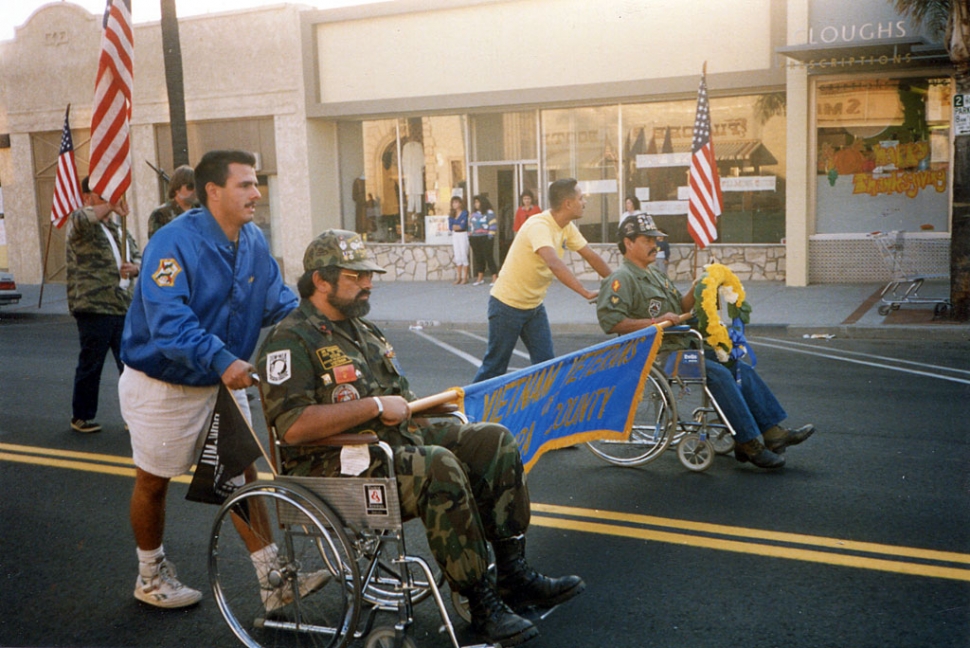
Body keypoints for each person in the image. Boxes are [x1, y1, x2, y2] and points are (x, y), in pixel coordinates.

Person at [257, 229, 585, 646]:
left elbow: (402, 402)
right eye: (356, 276)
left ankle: (511, 574)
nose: (368, 283)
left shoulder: (364, 330)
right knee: (436, 465)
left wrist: (438, 404)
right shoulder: (291, 339)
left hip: (387, 445)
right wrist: (374, 407)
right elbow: (293, 427)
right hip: (333, 466)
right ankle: (478, 600)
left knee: (492, 439)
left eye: (368, 275)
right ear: (320, 280)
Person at [119, 150, 300, 609]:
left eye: (256, 183)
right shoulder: (172, 242)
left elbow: (277, 300)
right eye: (246, 185)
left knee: (241, 475)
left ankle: (272, 581)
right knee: (153, 480)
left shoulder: (254, 239)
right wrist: (222, 359)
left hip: (223, 381)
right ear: (213, 191)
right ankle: (150, 574)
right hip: (164, 383)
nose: (257, 193)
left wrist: (316, 323)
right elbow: (169, 322)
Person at [596, 214, 815, 469]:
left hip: (681, 345)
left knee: (737, 366)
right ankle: (747, 442)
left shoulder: (655, 275)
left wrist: (698, 288)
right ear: (629, 243)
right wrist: (654, 323)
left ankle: (773, 433)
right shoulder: (622, 278)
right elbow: (611, 322)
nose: (655, 244)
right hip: (654, 354)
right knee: (717, 374)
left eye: (656, 239)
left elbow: (679, 306)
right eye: (648, 239)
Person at [473, 178, 612, 383]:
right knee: (494, 368)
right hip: (506, 306)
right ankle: (464, 412)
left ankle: (546, 412)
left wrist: (617, 282)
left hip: (533, 308)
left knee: (547, 365)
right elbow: (554, 263)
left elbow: (591, 256)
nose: (584, 202)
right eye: (581, 198)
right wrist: (585, 292)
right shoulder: (539, 225)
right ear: (568, 203)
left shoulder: (566, 226)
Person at [66, 177, 141, 434]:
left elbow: (138, 256)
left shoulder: (121, 230)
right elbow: (83, 218)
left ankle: (134, 417)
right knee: (92, 364)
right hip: (94, 305)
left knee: (130, 367)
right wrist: (110, 205)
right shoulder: (81, 223)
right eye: (100, 197)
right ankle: (82, 417)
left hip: (122, 306)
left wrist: (136, 268)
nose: (109, 202)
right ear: (87, 198)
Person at [147, 165, 196, 239]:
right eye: (190, 187)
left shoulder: (201, 214)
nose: (195, 191)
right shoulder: (160, 215)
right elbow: (157, 246)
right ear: (177, 188)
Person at [469, 194, 499, 285]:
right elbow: (470, 226)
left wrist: (490, 236)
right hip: (475, 238)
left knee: (488, 257)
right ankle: (480, 277)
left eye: (478, 202)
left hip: (486, 237)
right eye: (475, 202)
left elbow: (493, 225)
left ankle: (494, 277)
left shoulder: (489, 213)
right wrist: (469, 235)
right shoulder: (473, 214)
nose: (476, 204)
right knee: (478, 258)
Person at [448, 196, 470, 284]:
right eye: (453, 203)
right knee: (457, 255)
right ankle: (459, 277)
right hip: (455, 235)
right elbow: (450, 226)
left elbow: (463, 225)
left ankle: (465, 277)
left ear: (460, 203)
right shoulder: (451, 214)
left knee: (464, 254)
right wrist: (457, 225)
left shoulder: (464, 213)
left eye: (456, 202)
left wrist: (456, 225)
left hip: (463, 234)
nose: (454, 204)